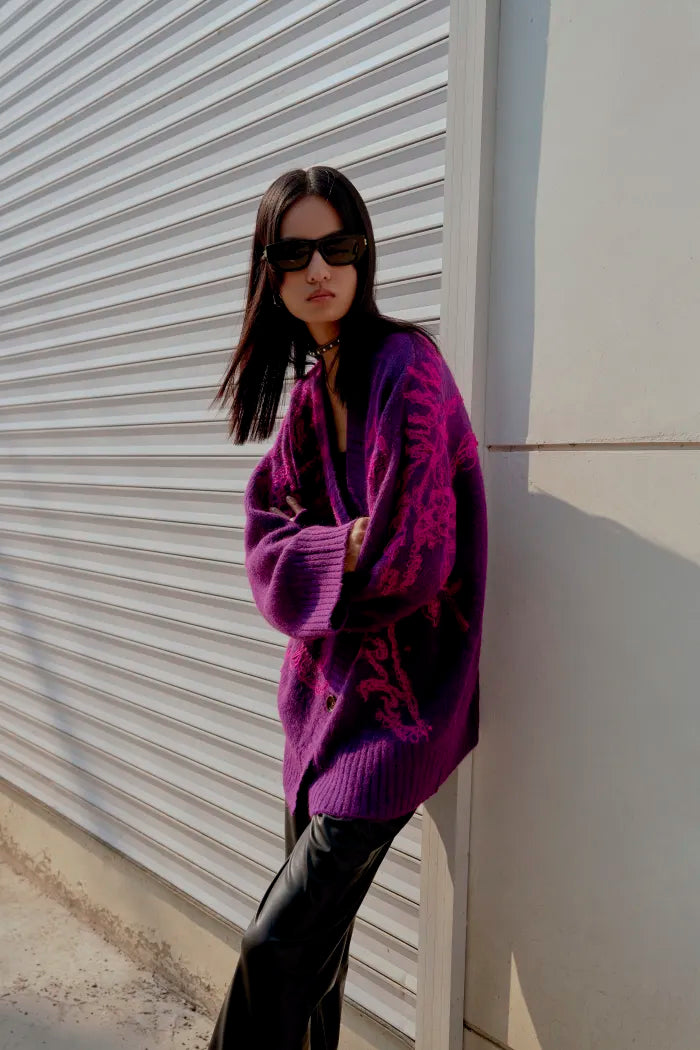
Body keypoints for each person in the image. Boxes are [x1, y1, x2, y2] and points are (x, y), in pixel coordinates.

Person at [207, 165, 488, 1050]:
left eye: (337, 246)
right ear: (271, 274)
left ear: (364, 253)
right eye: (295, 254)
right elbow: (264, 548)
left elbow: (414, 559)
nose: (318, 268)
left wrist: (329, 559)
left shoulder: (408, 369)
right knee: (312, 966)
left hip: (399, 717)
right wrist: (344, 547)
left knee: (274, 947)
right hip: (319, 711)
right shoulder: (304, 400)